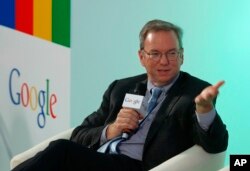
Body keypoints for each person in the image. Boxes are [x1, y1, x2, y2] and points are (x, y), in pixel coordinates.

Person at [12, 19, 228, 171]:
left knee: (61, 150)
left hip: (136, 165)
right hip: (99, 159)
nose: (164, 61)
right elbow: (80, 133)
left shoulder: (194, 92)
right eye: (155, 54)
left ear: (182, 56)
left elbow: (216, 146)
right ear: (141, 57)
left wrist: (205, 110)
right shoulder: (122, 87)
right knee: (58, 153)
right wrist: (111, 129)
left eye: (172, 53)